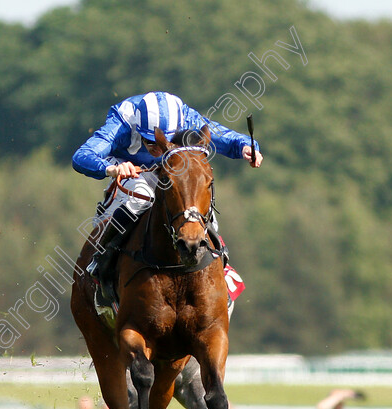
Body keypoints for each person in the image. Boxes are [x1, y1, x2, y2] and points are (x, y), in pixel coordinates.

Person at [72, 91, 262, 305]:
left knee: (194, 200)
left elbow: (222, 136)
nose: (157, 149)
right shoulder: (123, 120)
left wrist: (246, 146)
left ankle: (221, 264)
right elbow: (81, 156)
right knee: (142, 197)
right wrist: (111, 168)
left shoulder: (186, 117)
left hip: (169, 169)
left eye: (163, 142)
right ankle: (102, 260)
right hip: (128, 168)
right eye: (150, 142)